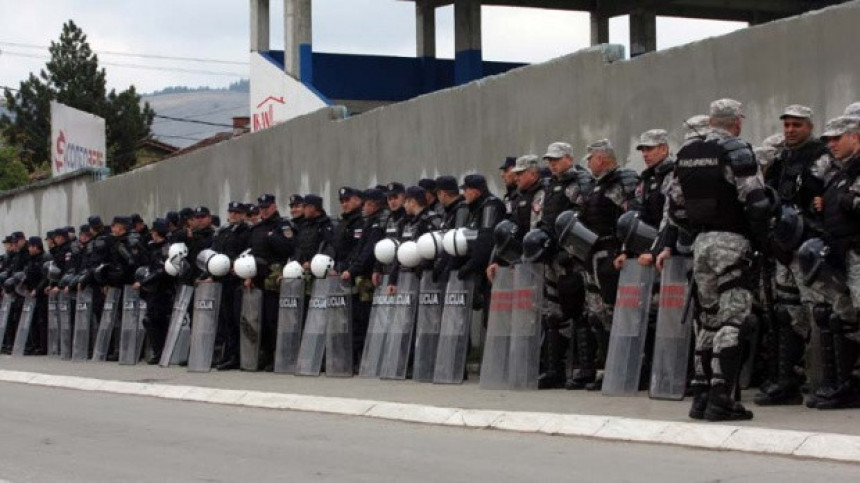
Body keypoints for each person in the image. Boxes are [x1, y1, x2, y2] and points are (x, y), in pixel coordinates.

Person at [657, 98, 770, 421]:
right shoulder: (737, 150)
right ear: (737, 122)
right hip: (732, 240)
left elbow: (675, 207)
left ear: (710, 121)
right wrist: (760, 239)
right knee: (733, 319)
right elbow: (756, 201)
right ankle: (722, 398)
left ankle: (701, 393)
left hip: (700, 243)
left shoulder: (688, 154)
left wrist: (696, 229)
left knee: (706, 319)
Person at [755, 105, 831, 406]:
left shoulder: (820, 155)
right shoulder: (781, 158)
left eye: (796, 125)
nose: (789, 130)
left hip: (809, 245)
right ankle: (786, 378)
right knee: (785, 312)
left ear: (809, 126)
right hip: (783, 245)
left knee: (818, 311)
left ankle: (825, 379)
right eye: (786, 125)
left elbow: (826, 195)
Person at [804, 115, 860, 409]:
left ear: (856, 136)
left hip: (857, 253)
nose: (832, 144)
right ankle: (848, 384)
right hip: (841, 253)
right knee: (845, 318)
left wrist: (846, 201)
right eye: (829, 140)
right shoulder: (839, 173)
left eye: (838, 138)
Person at [579, 139, 639, 391]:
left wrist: (625, 249)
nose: (588, 163)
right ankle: (607, 367)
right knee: (597, 315)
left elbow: (630, 217)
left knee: (617, 313)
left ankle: (625, 366)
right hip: (593, 255)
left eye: (591, 158)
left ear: (601, 159)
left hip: (612, 255)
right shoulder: (596, 186)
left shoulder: (620, 183)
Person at [534, 142, 594, 390]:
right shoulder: (549, 185)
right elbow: (544, 219)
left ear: (570, 158)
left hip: (572, 258)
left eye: (557, 159)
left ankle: (584, 369)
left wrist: (571, 252)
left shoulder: (580, 182)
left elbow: (581, 218)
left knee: (578, 311)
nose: (553, 164)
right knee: (552, 314)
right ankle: (553, 370)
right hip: (551, 256)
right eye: (550, 160)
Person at [340, 188, 387, 368]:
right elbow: (357, 251)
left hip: (367, 279)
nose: (363, 207)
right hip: (359, 276)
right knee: (358, 321)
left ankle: (366, 360)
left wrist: (352, 270)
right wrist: (347, 267)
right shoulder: (369, 223)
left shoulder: (376, 226)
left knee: (365, 320)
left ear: (374, 205)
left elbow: (368, 253)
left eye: (367, 204)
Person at [210, 202, 251, 370]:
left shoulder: (247, 232)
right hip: (223, 280)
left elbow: (249, 252)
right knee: (226, 320)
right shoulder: (224, 232)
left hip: (237, 280)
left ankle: (238, 356)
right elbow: (215, 253)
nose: (233, 215)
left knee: (236, 319)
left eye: (237, 213)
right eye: (231, 212)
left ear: (243, 215)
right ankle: (228, 354)